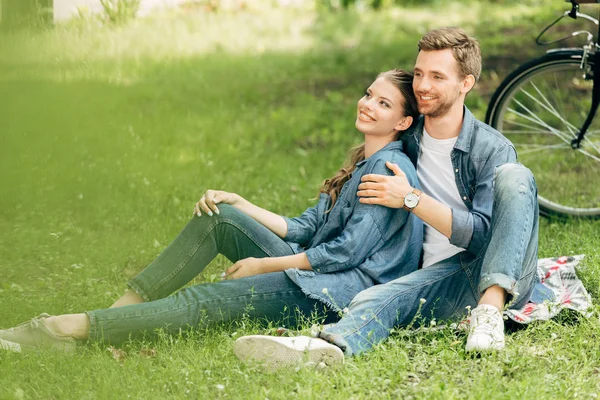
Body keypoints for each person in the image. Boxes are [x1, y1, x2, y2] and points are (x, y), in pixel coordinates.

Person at [0, 70, 423, 361]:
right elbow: (306, 228)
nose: (368, 104)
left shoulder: (388, 171)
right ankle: (110, 318)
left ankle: (57, 330)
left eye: (383, 103)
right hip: (318, 274)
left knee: (202, 301)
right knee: (218, 216)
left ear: (403, 120)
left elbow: (344, 254)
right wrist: (241, 203)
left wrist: (265, 264)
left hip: (333, 296)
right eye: (369, 94)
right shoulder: (364, 160)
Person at [233, 27, 540, 369]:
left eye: (437, 76)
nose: (422, 85)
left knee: (517, 176)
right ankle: (320, 347)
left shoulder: (491, 149)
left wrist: (411, 198)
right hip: (439, 275)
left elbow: (485, 236)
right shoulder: (404, 140)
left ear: (465, 84)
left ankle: (490, 311)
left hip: (496, 272)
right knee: (379, 297)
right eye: (420, 73)